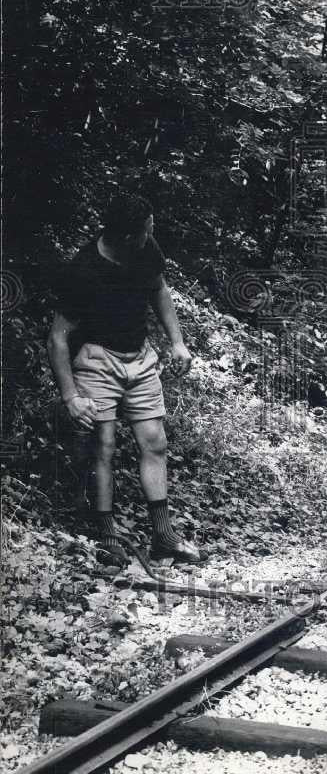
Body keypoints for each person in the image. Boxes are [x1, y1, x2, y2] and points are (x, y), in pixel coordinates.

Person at [47, 193, 201, 565]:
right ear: (128, 236)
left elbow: (159, 289)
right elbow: (57, 338)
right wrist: (71, 397)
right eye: (148, 229)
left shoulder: (146, 249)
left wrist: (177, 342)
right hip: (97, 359)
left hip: (139, 357)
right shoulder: (84, 270)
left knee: (155, 442)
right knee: (103, 446)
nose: (152, 233)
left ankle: (163, 537)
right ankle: (107, 536)